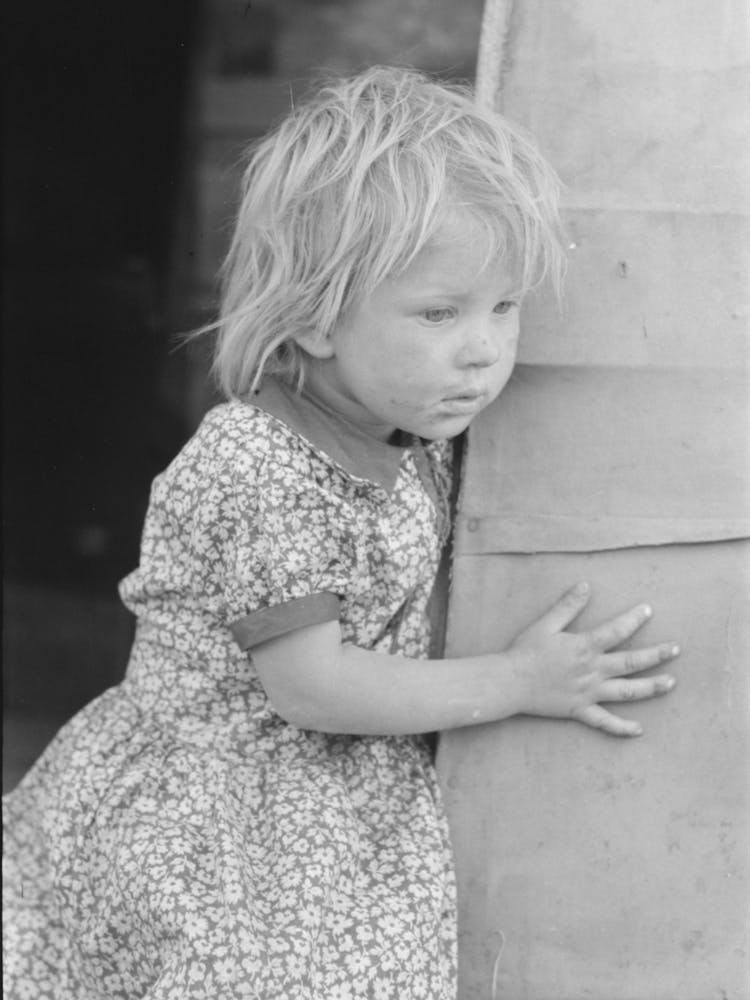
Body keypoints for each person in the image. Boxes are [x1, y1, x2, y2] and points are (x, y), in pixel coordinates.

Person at [2, 66, 679, 1000]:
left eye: (504, 306)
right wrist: (523, 682)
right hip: (223, 819)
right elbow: (313, 688)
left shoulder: (410, 431)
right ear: (317, 317)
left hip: (329, 800)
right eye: (440, 313)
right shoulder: (261, 462)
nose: (483, 349)